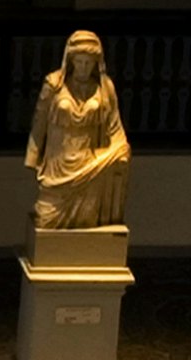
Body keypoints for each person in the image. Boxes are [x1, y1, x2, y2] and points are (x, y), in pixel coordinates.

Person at [25, 29, 130, 231]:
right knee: (47, 218)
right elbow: (39, 122)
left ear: (96, 63)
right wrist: (32, 157)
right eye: (79, 62)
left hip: (89, 162)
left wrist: (121, 151)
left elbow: (114, 125)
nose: (83, 68)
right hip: (58, 164)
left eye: (88, 63)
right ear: (70, 60)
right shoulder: (54, 85)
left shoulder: (105, 88)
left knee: (86, 221)